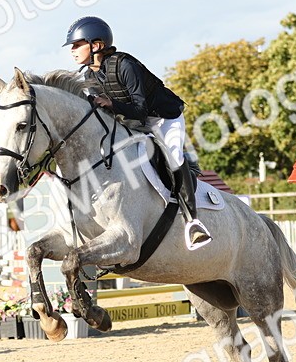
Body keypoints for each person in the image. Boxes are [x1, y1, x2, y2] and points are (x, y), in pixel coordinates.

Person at [64, 15, 212, 250]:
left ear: (96, 45)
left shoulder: (125, 65)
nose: (72, 50)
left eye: (77, 44)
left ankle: (192, 222)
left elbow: (140, 110)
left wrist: (109, 104)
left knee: (173, 157)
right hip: (130, 120)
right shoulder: (90, 75)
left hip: (164, 117)